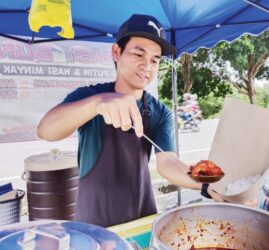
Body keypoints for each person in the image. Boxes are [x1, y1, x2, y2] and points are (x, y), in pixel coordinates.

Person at [37, 14, 222, 228]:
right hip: (94, 222)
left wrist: (206, 184)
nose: (147, 66)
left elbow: (168, 162)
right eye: (138, 54)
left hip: (142, 218)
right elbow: (46, 131)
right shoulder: (89, 96)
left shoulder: (160, 111)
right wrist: (97, 103)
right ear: (116, 52)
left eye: (155, 60)